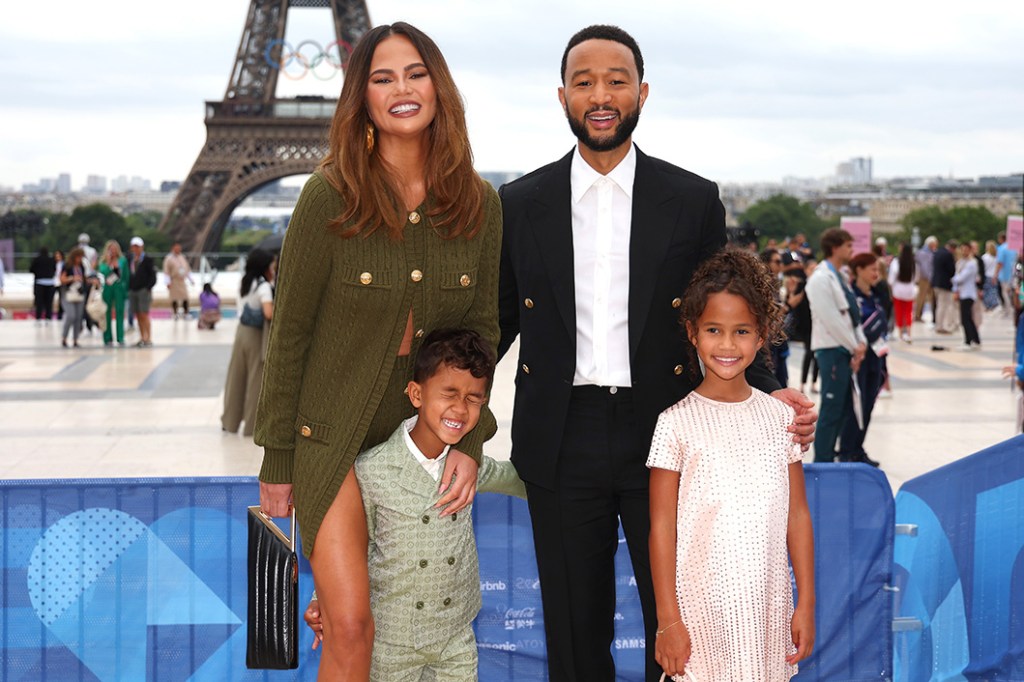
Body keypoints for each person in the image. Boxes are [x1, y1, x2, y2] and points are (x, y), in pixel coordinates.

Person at [497, 25, 816, 682]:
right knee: (574, 643)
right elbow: (494, 322)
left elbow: (724, 308)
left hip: (670, 434)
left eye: (616, 80)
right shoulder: (520, 203)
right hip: (560, 437)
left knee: (682, 636)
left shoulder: (692, 199)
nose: (601, 94)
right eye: (584, 82)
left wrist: (765, 392)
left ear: (642, 92)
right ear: (563, 96)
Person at [255, 22, 502, 680]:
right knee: (352, 625)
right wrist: (278, 456)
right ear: (360, 98)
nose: (401, 89)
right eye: (382, 77)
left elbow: (482, 333)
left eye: (415, 73)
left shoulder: (479, 205)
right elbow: (291, 335)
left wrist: (470, 444)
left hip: (421, 445)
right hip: (330, 436)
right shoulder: (328, 198)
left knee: (402, 618)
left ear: (438, 86)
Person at [306, 329, 526, 679]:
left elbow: (522, 482)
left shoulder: (469, 468)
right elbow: (349, 543)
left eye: (473, 398)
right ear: (416, 394)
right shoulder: (372, 470)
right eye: (449, 393)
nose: (460, 408)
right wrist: (322, 598)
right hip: (391, 639)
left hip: (455, 636)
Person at [648, 248, 814, 681]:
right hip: (699, 616)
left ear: (762, 336)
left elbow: (797, 515)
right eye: (714, 330)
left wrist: (807, 601)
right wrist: (668, 620)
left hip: (767, 610)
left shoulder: (781, 420)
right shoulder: (673, 425)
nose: (726, 345)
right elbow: (662, 528)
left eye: (741, 331)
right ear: (692, 333)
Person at [805, 228, 867, 463]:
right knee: (831, 409)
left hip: (845, 348)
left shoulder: (839, 277)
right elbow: (831, 319)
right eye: (848, 246)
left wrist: (860, 343)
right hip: (832, 349)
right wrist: (855, 346)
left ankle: (830, 457)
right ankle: (822, 461)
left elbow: (852, 315)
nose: (852, 250)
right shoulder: (820, 279)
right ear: (835, 247)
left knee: (841, 407)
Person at [836, 253, 888, 467]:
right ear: (858, 270)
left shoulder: (876, 295)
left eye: (877, 269)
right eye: (871, 269)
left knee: (868, 405)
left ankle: (858, 449)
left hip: (877, 357)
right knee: (856, 405)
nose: (876, 273)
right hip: (859, 356)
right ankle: (847, 450)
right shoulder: (852, 296)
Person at [221, 250, 276, 436]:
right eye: (272, 265)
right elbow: (268, 313)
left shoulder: (244, 282)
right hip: (255, 335)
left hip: (241, 332)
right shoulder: (264, 287)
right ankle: (252, 426)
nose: (274, 268)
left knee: (236, 378)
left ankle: (230, 421)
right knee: (255, 381)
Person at [761, 247, 790, 387]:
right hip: (766, 344)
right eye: (777, 262)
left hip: (776, 341)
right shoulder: (762, 286)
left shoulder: (776, 284)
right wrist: (788, 305)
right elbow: (769, 315)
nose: (781, 266)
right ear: (766, 263)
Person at [59, 248, 97, 347]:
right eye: (78, 257)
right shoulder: (67, 266)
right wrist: (72, 278)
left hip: (79, 293)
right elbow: (62, 279)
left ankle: (75, 339)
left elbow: (84, 278)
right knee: (71, 315)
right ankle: (64, 337)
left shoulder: (81, 266)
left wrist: (91, 281)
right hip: (68, 293)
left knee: (78, 317)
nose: (80, 259)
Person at [127, 236, 156, 347]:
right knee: (138, 315)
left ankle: (148, 337)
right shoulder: (130, 259)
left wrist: (148, 288)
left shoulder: (147, 260)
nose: (135, 249)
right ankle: (142, 336)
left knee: (144, 314)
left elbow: (152, 276)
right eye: (134, 247)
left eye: (137, 247)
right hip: (133, 290)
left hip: (143, 290)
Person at [99, 240, 128, 346]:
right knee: (106, 312)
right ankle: (107, 337)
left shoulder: (122, 260)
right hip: (107, 288)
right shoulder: (103, 262)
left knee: (120, 311)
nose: (113, 251)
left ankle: (120, 337)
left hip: (119, 288)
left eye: (115, 249)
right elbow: (102, 274)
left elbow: (125, 276)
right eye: (111, 249)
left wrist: (126, 290)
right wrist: (108, 263)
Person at [952, 242, 981, 350]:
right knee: (966, 318)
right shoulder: (960, 262)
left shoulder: (972, 263)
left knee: (966, 319)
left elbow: (960, 278)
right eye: (962, 249)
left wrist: (953, 280)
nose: (964, 251)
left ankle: (969, 341)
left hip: (969, 293)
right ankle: (974, 339)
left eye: (966, 249)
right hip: (962, 293)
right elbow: (957, 277)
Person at [932, 240, 958, 334]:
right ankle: (940, 325)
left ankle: (938, 324)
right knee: (943, 305)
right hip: (944, 284)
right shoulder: (948, 255)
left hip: (935, 282)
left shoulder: (937, 252)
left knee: (939, 305)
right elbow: (952, 270)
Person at [163, 242, 193, 319]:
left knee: (185, 297)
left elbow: (187, 268)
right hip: (174, 280)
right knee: (174, 298)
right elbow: (166, 271)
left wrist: (191, 279)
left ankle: (186, 313)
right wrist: (167, 282)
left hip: (182, 280)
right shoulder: (168, 258)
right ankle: (175, 313)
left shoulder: (182, 257)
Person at [29, 247, 57, 324]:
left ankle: (38, 317)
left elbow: (31, 269)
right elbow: (54, 269)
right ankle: (48, 317)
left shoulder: (36, 259)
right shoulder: (51, 260)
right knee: (49, 302)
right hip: (50, 283)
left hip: (39, 282)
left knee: (39, 302)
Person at [995, 231, 1019, 316]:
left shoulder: (1002, 248)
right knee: (1012, 293)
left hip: (1004, 275)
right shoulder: (1014, 248)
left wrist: (995, 275)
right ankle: (1013, 308)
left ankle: (1008, 310)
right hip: (1014, 274)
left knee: (1005, 293)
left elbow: (1000, 263)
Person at [914, 236, 937, 323]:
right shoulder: (923, 253)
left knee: (932, 297)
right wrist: (930, 277)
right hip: (925, 278)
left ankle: (933, 316)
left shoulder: (931, 252)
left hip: (930, 277)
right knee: (922, 297)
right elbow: (925, 267)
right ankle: (917, 315)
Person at [981, 240, 1001, 310]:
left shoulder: (984, 257)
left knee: (986, 292)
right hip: (994, 276)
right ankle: (993, 304)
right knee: (993, 291)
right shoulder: (996, 257)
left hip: (987, 276)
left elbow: (983, 268)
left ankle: (988, 305)